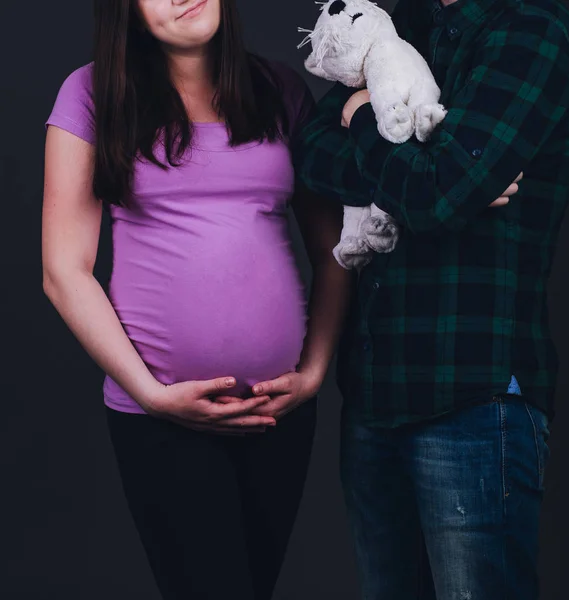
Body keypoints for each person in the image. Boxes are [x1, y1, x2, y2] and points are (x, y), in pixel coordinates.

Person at [41, 1, 351, 598]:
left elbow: (335, 247)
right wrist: (152, 396)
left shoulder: (279, 89)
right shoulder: (91, 93)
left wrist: (312, 373)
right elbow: (63, 270)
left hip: (277, 415)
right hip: (161, 418)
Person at [293, 0, 569, 598]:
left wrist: (363, 113)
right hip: (373, 399)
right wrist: (425, 167)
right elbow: (308, 153)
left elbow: (437, 195)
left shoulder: (532, 31)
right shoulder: (400, 23)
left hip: (474, 399)